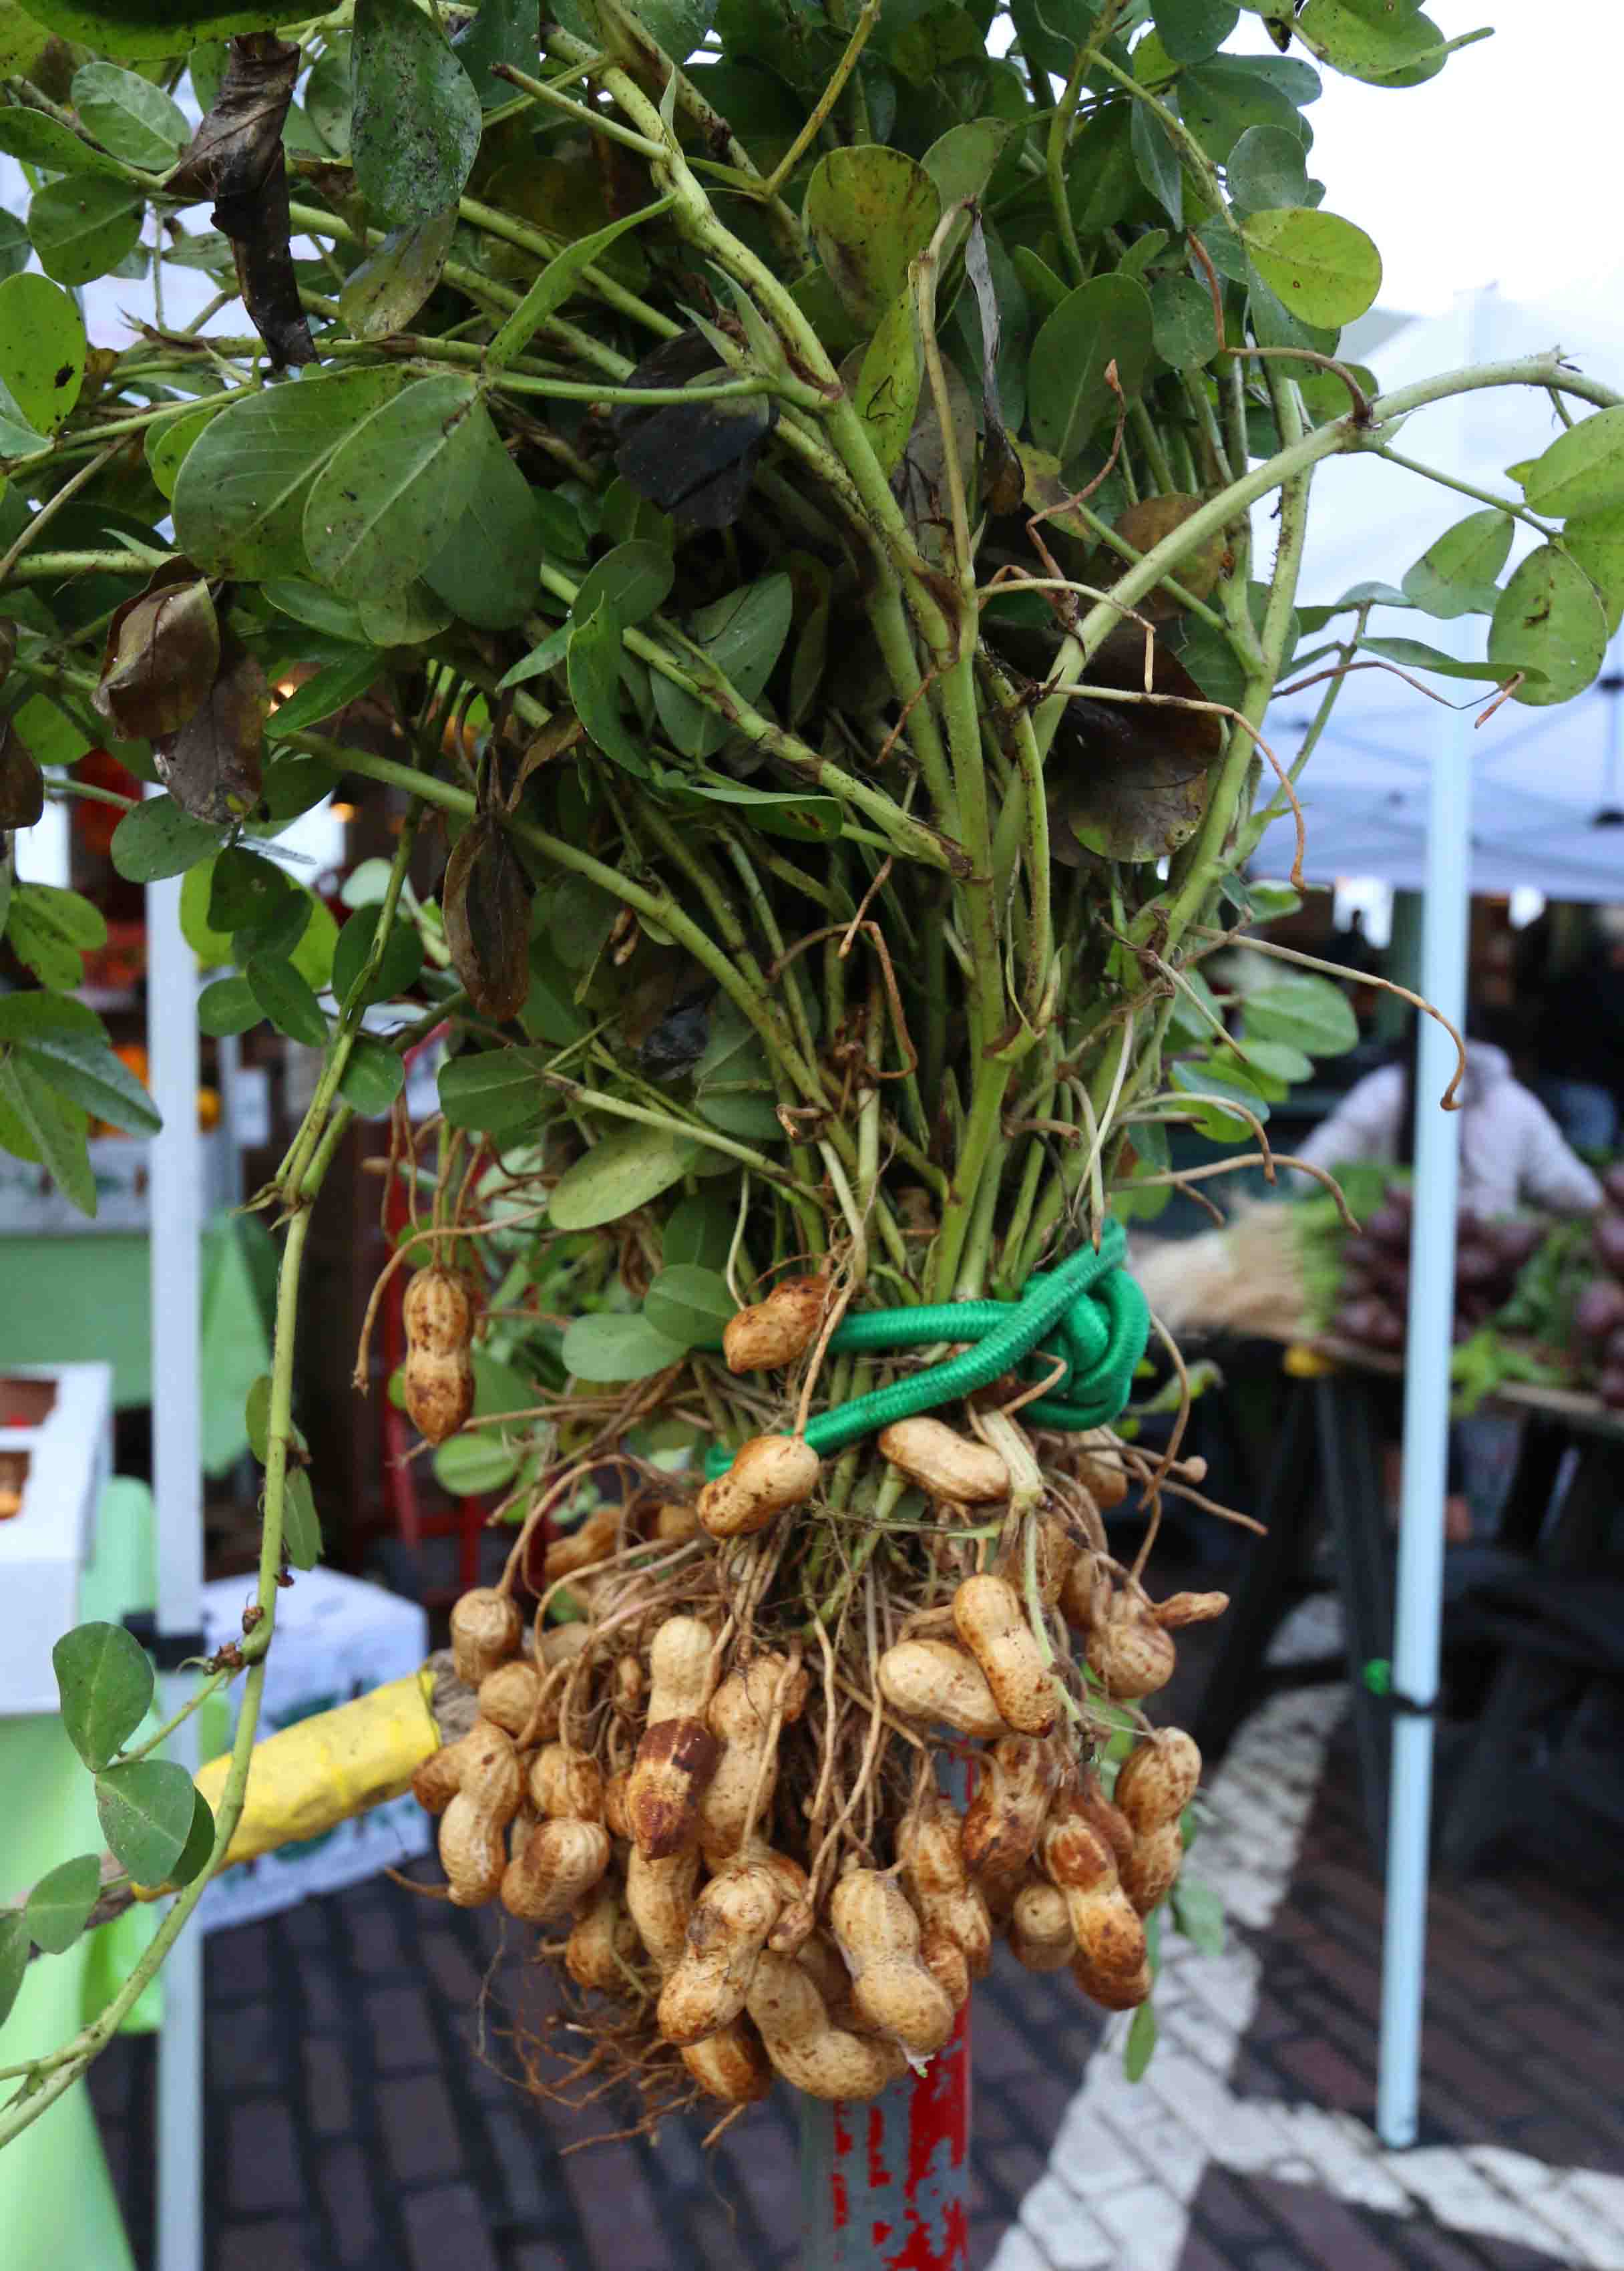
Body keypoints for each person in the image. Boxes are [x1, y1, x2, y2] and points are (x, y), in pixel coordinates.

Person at [1295, 1017, 1603, 1540]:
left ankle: (1414, 1519)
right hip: (1466, 1304)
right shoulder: (1513, 1105)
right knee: (1412, 1373)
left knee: (1401, 1376)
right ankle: (1439, 1520)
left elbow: (1308, 1172)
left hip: (1416, 1303)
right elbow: (1581, 1197)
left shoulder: (1386, 1092)